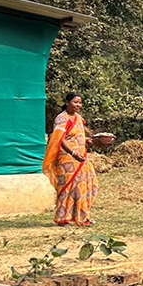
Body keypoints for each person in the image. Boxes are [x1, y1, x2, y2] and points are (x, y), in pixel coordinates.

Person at [42, 92, 100, 225]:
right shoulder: (62, 119)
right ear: (67, 102)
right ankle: (63, 218)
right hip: (66, 158)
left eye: (80, 102)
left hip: (81, 158)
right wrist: (73, 153)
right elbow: (59, 139)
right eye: (75, 102)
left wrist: (89, 141)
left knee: (85, 185)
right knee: (68, 187)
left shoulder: (78, 118)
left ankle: (81, 216)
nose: (78, 105)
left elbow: (76, 137)